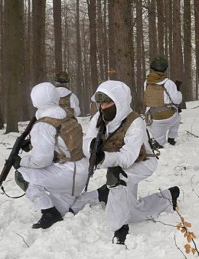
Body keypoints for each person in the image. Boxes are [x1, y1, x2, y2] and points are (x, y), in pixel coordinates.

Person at [71, 80, 180, 245]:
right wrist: (91, 147)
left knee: (117, 180)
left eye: (108, 102)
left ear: (119, 102)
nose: (103, 107)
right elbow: (88, 140)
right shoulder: (99, 118)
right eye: (101, 103)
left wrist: (103, 158)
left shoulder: (135, 122)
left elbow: (128, 157)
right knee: (133, 208)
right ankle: (168, 197)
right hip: (116, 161)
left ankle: (119, 227)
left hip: (141, 162)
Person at [13, 82, 88, 229]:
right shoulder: (67, 114)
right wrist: (31, 144)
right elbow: (60, 141)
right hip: (79, 173)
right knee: (65, 210)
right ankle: (99, 195)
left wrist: (21, 162)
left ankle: (48, 213)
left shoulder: (43, 125)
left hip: (66, 174)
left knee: (21, 175)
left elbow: (42, 160)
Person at [143, 56, 183, 148]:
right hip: (168, 115)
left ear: (152, 68)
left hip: (153, 118)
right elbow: (177, 100)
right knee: (177, 117)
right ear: (165, 69)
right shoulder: (168, 83)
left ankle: (158, 142)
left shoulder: (146, 83)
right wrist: (178, 92)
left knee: (159, 141)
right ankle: (171, 139)